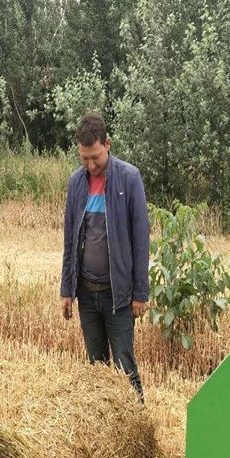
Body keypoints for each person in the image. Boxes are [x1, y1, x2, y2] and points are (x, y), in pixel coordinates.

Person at [60, 114, 150, 400]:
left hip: (119, 296)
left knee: (125, 366)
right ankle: (101, 435)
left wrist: (140, 293)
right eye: (84, 158)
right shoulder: (76, 182)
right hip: (86, 293)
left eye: (95, 157)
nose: (90, 164)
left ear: (108, 144)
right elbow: (70, 240)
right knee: (96, 370)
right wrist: (66, 290)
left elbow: (140, 241)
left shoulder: (129, 178)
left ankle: (139, 426)